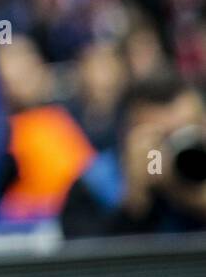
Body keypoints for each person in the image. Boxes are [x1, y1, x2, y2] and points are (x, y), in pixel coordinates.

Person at [61, 73, 206, 238]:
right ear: (127, 137)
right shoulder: (95, 183)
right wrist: (136, 202)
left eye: (186, 133)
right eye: (162, 139)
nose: (175, 148)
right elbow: (87, 257)